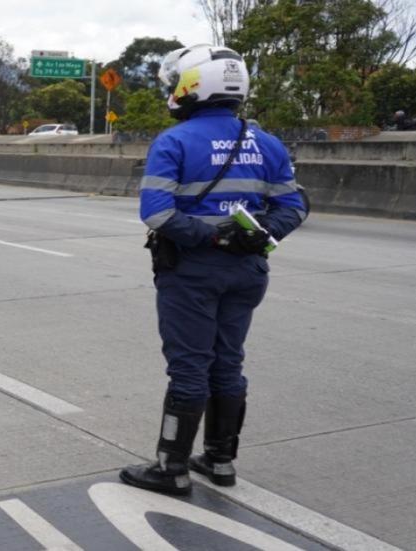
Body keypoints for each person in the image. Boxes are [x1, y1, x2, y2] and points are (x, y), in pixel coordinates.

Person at [119, 44, 307, 496]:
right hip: (247, 272)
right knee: (228, 362)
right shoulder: (266, 142)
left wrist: (211, 237)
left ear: (193, 85)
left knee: (189, 367)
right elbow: (295, 205)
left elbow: (157, 215)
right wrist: (253, 235)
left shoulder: (175, 141)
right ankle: (220, 462)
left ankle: (171, 468)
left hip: (191, 272)